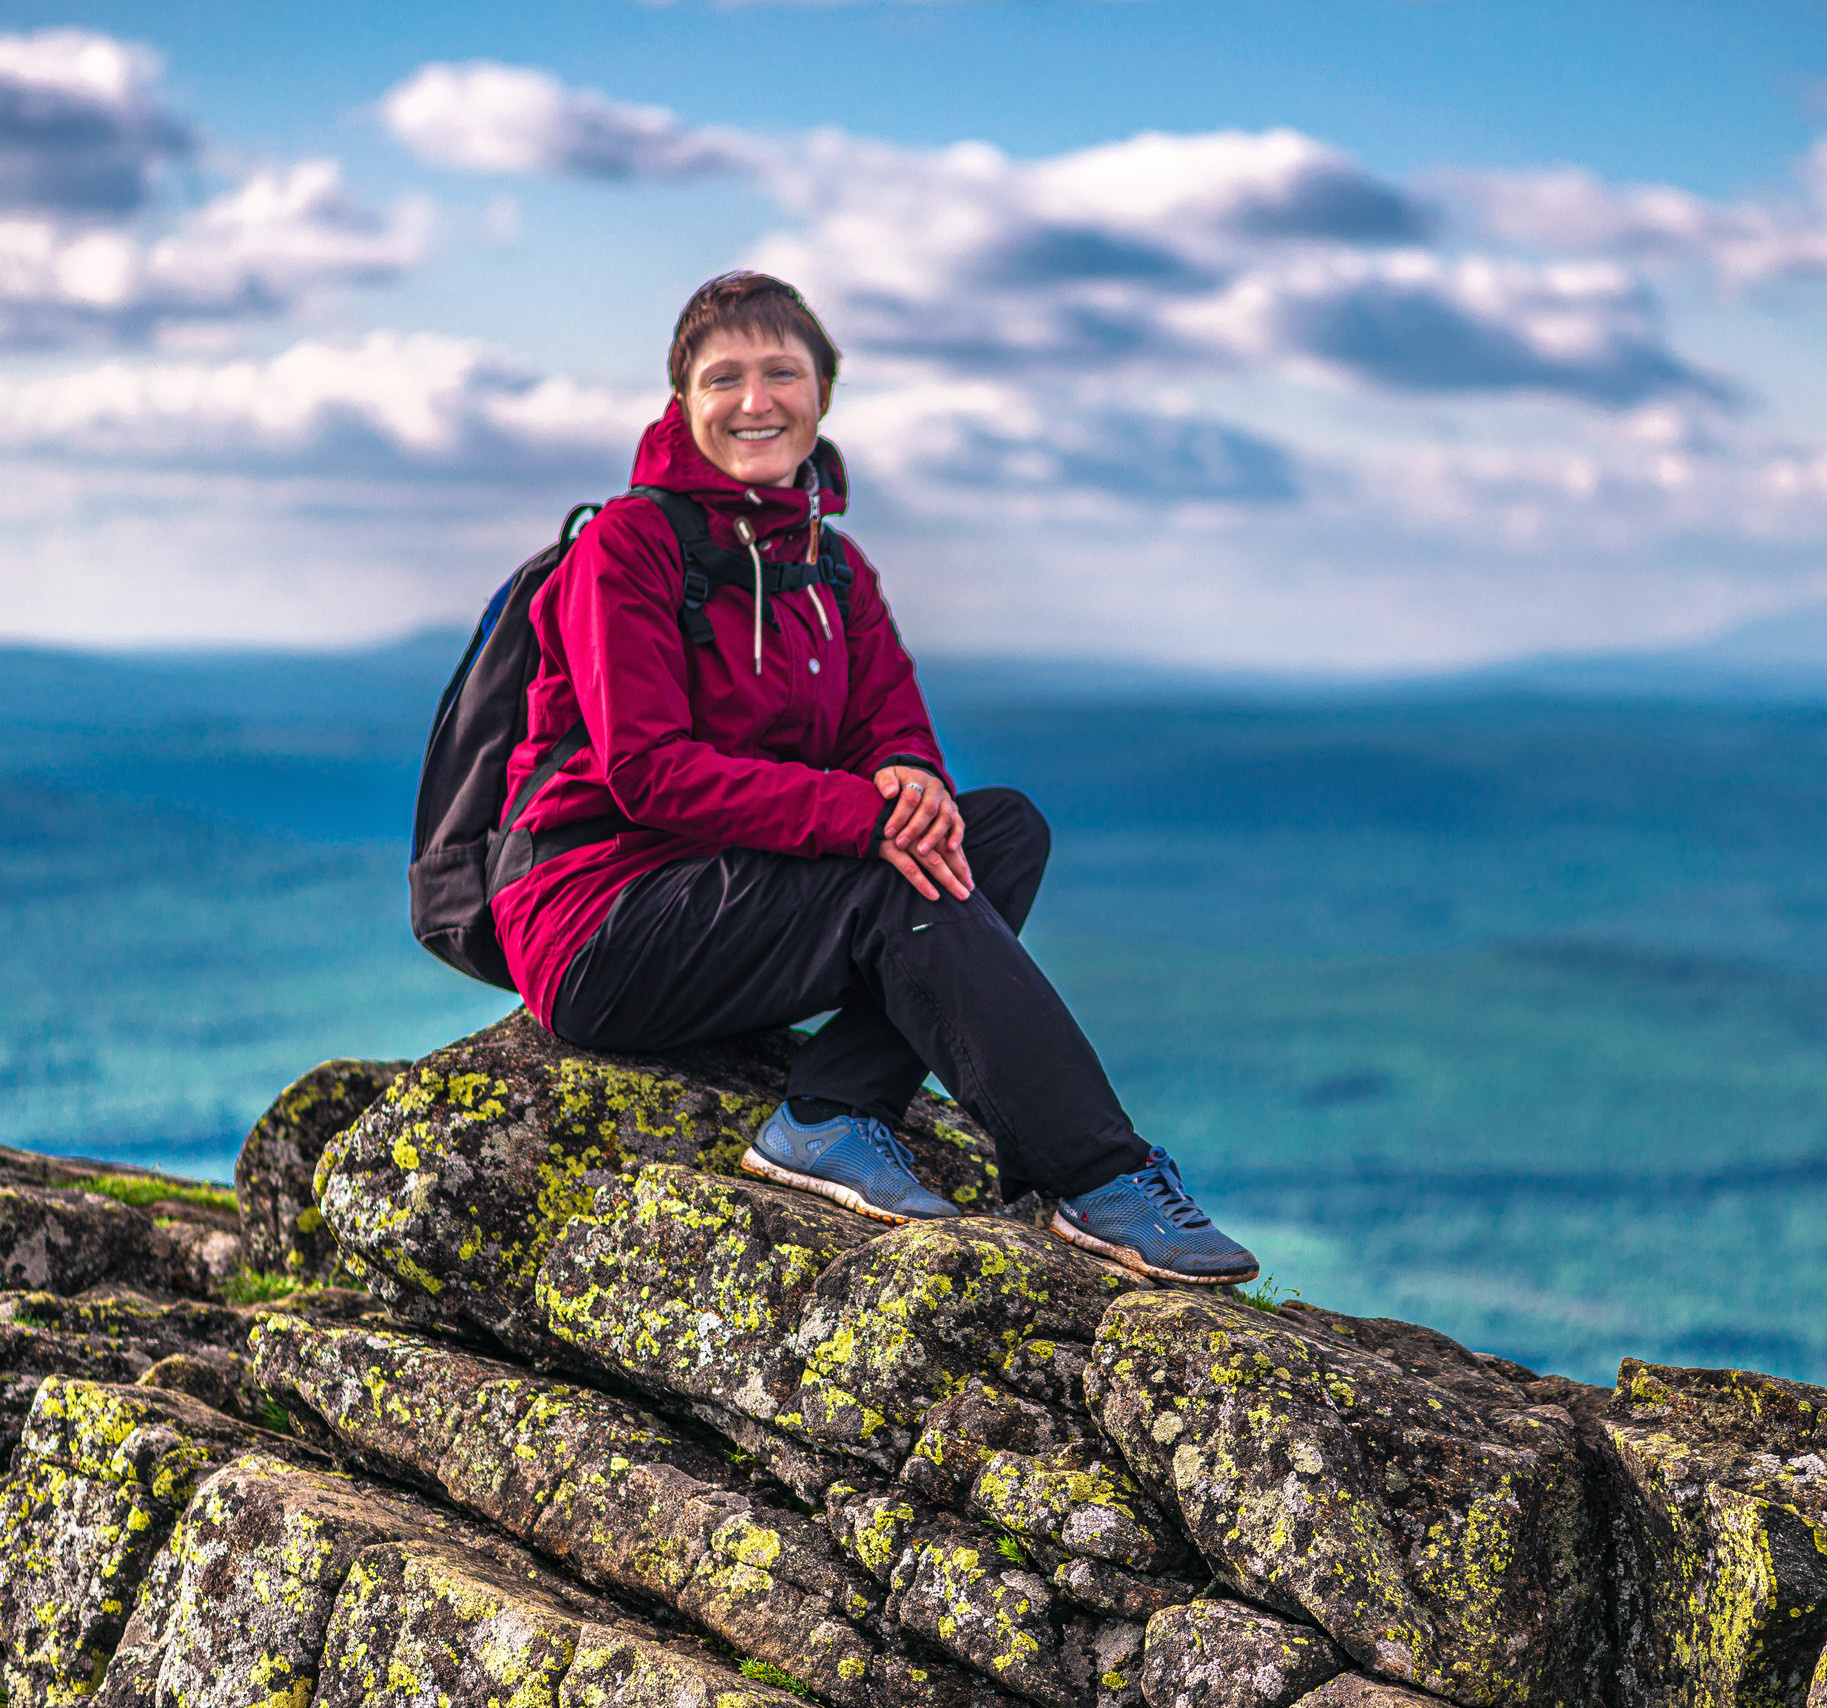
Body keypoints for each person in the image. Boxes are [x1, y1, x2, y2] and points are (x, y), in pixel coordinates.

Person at [489, 271, 1258, 1286]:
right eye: (724, 378)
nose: (754, 400)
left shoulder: (833, 567)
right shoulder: (624, 551)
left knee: (998, 832)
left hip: (737, 900)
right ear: (681, 401)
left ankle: (831, 1110)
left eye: (782, 373)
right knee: (898, 868)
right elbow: (647, 772)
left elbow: (893, 729)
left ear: (822, 395)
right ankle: (1099, 1174)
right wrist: (867, 817)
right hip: (601, 920)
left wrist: (906, 785)